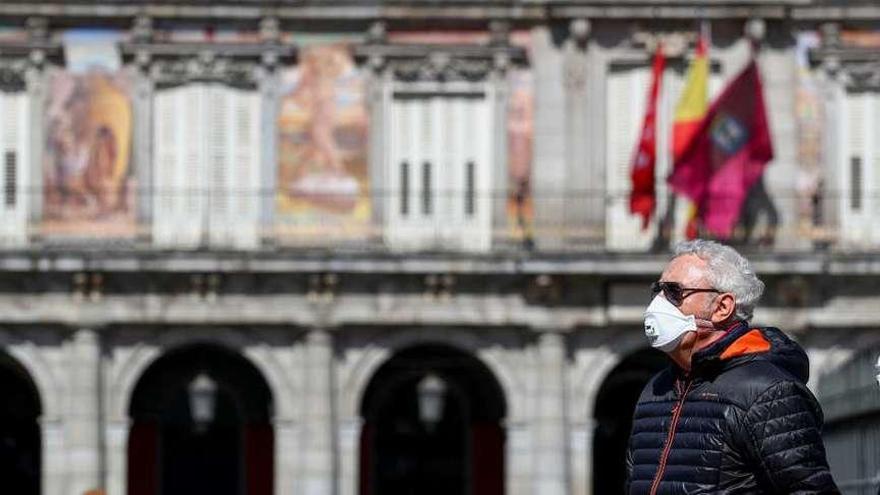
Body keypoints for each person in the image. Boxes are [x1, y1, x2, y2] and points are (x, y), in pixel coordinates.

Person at [625, 239, 839, 494]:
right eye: (657, 291)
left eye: (673, 292)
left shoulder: (767, 392)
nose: (659, 302)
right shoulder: (656, 388)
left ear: (722, 307)